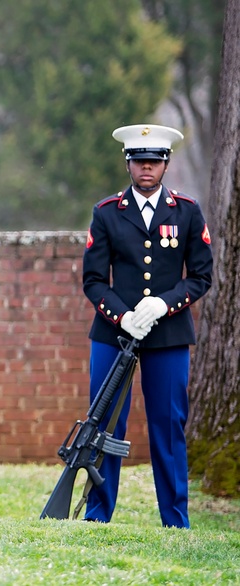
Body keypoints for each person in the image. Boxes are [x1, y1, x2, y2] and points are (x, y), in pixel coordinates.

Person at [82, 123, 213, 528]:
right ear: (128, 163)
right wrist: (123, 316)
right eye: (139, 161)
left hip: (169, 334)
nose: (146, 169)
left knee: (168, 424)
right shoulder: (106, 213)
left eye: (154, 162)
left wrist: (163, 303)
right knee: (105, 424)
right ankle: (97, 515)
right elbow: (93, 280)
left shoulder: (187, 211)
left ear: (166, 163)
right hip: (112, 333)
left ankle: (175, 519)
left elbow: (201, 276)